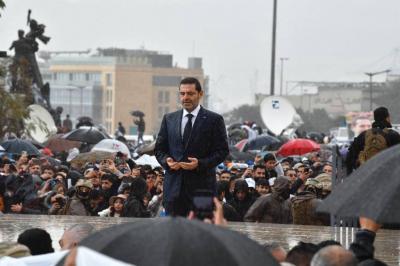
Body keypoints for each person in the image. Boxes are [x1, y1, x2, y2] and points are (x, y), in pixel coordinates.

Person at [155, 77, 229, 216]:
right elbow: (159, 149)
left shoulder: (214, 120)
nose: (185, 97)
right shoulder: (169, 119)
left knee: (199, 234)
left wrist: (199, 164)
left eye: (190, 93)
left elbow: (222, 151)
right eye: (182, 94)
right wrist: (167, 161)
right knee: (174, 233)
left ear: (200, 94)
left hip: (202, 189)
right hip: (174, 190)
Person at [346, 107, 400, 174]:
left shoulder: (362, 135)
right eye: (362, 126)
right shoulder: (394, 135)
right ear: (387, 118)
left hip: (365, 176)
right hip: (388, 176)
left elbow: (349, 159)